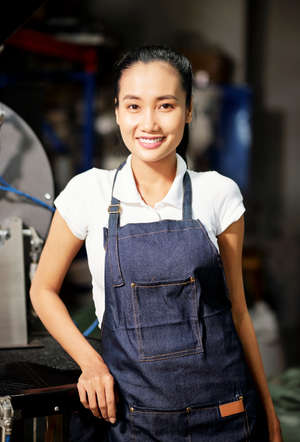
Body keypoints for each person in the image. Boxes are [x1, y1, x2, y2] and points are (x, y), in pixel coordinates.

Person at [30, 45, 283, 441]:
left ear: (189, 110)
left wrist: (269, 414)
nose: (148, 123)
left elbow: (238, 313)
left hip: (227, 416)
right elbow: (43, 290)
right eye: (134, 107)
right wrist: (90, 363)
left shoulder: (217, 193)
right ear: (117, 112)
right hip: (135, 421)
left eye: (165, 106)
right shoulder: (89, 192)